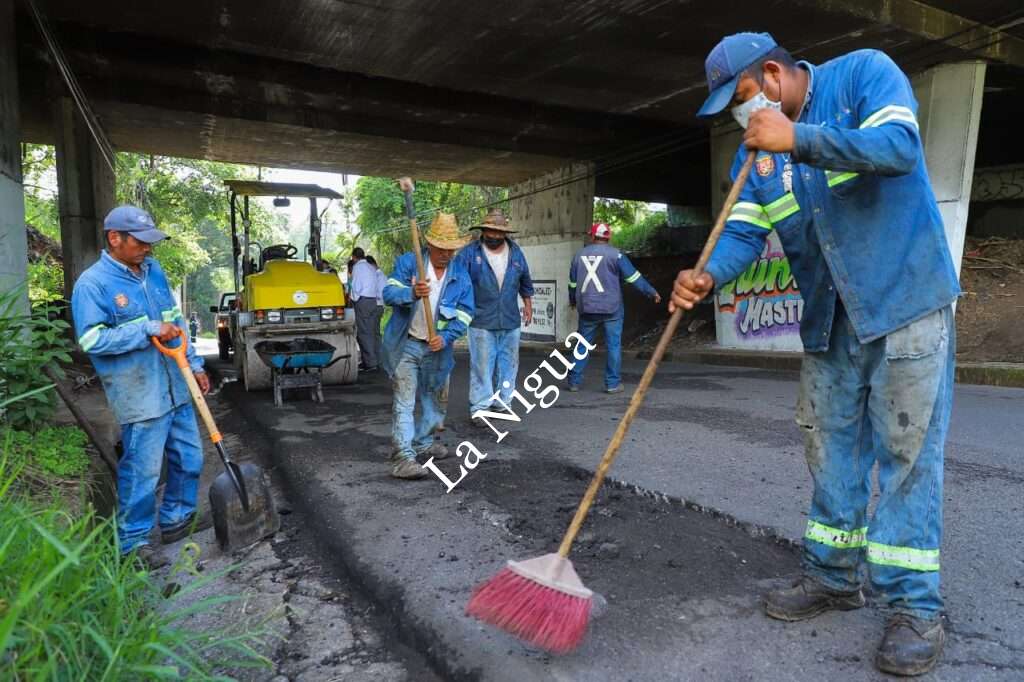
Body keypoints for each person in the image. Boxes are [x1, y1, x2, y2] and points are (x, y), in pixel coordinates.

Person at [672, 32, 960, 676]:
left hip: (904, 302)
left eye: (743, 100)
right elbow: (743, 232)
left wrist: (797, 140)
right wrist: (708, 274)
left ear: (773, 75)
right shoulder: (756, 159)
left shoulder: (863, 76)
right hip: (829, 322)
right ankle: (833, 577)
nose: (741, 117)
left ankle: (914, 607)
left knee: (907, 458)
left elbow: (899, 148)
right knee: (829, 453)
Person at [71, 205, 212, 570]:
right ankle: (133, 544)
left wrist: (194, 365)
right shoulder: (93, 284)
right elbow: (91, 340)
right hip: (139, 394)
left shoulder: (154, 271)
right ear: (114, 238)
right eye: (140, 241)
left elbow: (174, 321)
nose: (148, 249)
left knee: (190, 458)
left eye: (151, 242)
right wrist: (145, 329)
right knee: (143, 471)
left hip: (175, 383)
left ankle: (176, 521)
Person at [381, 213, 474, 479]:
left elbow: (466, 313)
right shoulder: (410, 264)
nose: (446, 254)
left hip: (438, 350)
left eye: (451, 249)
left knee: (435, 401)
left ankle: (422, 443)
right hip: (406, 345)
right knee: (404, 402)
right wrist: (410, 293)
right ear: (430, 244)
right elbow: (388, 294)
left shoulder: (461, 276)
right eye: (441, 249)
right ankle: (403, 458)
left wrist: (446, 336)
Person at [456, 208, 535, 428]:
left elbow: (525, 281)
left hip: (510, 319)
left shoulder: (516, 252)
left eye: (499, 232)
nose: (494, 236)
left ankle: (503, 402)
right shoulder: (469, 254)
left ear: (505, 233)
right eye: (490, 231)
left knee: (509, 363)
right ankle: (480, 407)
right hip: (480, 319)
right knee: (482, 365)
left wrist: (528, 304)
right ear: (483, 231)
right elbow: (458, 284)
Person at [566, 222, 660, 393]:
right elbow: (633, 277)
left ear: (593, 236)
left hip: (587, 307)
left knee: (582, 345)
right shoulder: (616, 255)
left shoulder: (578, 256)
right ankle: (612, 384)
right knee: (613, 346)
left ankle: (574, 381)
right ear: (608, 237)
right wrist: (651, 291)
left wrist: (573, 300)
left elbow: (573, 283)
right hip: (612, 309)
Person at [350, 247, 381, 372]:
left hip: (363, 301)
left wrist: (353, 299)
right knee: (373, 331)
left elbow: (356, 286)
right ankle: (376, 359)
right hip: (373, 300)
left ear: (354, 257)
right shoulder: (370, 266)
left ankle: (369, 362)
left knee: (363, 333)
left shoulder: (358, 267)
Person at [365, 255, 387, 370]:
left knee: (373, 333)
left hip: (377, 306)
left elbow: (381, 293)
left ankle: (377, 360)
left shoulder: (379, 276)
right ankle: (378, 360)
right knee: (375, 333)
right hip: (377, 306)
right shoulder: (378, 275)